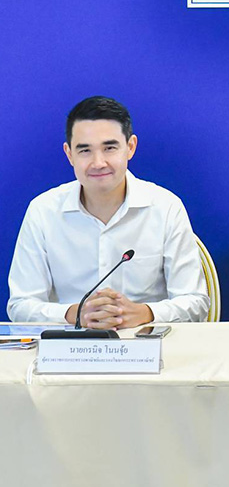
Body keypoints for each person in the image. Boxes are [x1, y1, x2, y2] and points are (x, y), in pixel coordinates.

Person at [7, 96, 209, 327]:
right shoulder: (43, 211)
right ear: (69, 154)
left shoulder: (166, 207)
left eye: (109, 148)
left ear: (130, 147)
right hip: (69, 343)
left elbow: (196, 302)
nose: (98, 163)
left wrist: (145, 313)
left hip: (147, 342)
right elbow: (20, 305)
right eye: (85, 150)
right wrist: (76, 314)